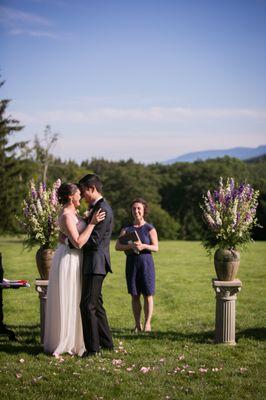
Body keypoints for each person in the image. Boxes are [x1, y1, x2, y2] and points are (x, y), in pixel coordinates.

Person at [44, 183, 106, 357]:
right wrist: (92, 224)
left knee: (77, 297)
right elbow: (78, 242)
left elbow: (61, 236)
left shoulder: (74, 213)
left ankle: (78, 339)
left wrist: (85, 220)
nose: (81, 196)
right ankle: (66, 341)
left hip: (76, 258)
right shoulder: (65, 215)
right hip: (69, 260)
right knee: (69, 297)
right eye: (79, 193)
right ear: (71, 196)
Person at [78, 174, 114, 357]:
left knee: (87, 305)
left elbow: (93, 240)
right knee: (96, 304)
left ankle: (93, 349)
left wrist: (73, 242)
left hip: (95, 263)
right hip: (95, 263)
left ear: (92, 189)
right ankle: (107, 343)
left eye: (83, 191)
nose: (82, 195)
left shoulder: (103, 210)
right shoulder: (97, 208)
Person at [115, 198, 158, 333]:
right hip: (132, 263)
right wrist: (130, 245)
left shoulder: (150, 228)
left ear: (144, 210)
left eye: (139, 208)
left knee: (148, 294)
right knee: (134, 295)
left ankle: (147, 324)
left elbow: (156, 247)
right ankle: (137, 324)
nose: (136, 211)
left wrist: (143, 245)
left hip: (146, 263)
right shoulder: (127, 229)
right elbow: (117, 246)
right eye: (134, 208)